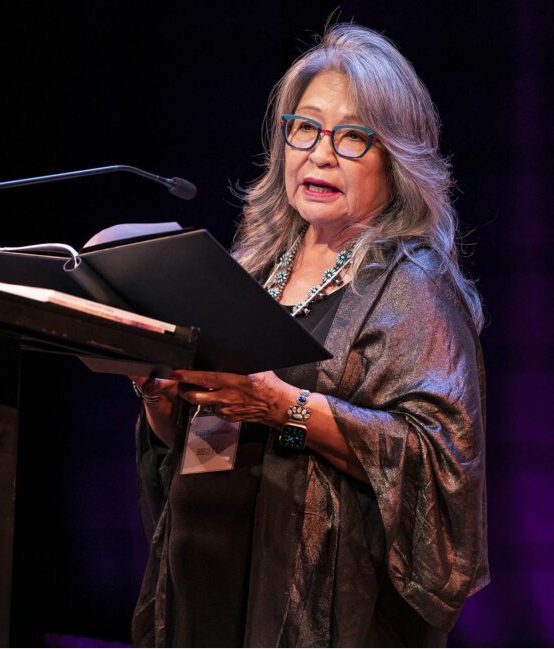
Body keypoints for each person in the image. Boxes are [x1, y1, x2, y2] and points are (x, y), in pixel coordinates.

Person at [130, 23, 488, 647]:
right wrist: (163, 400)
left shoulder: (413, 288)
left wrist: (282, 407)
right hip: (203, 583)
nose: (320, 154)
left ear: (395, 158)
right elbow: (201, 441)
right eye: (305, 127)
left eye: (352, 137)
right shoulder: (253, 267)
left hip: (320, 612)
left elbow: (437, 466)